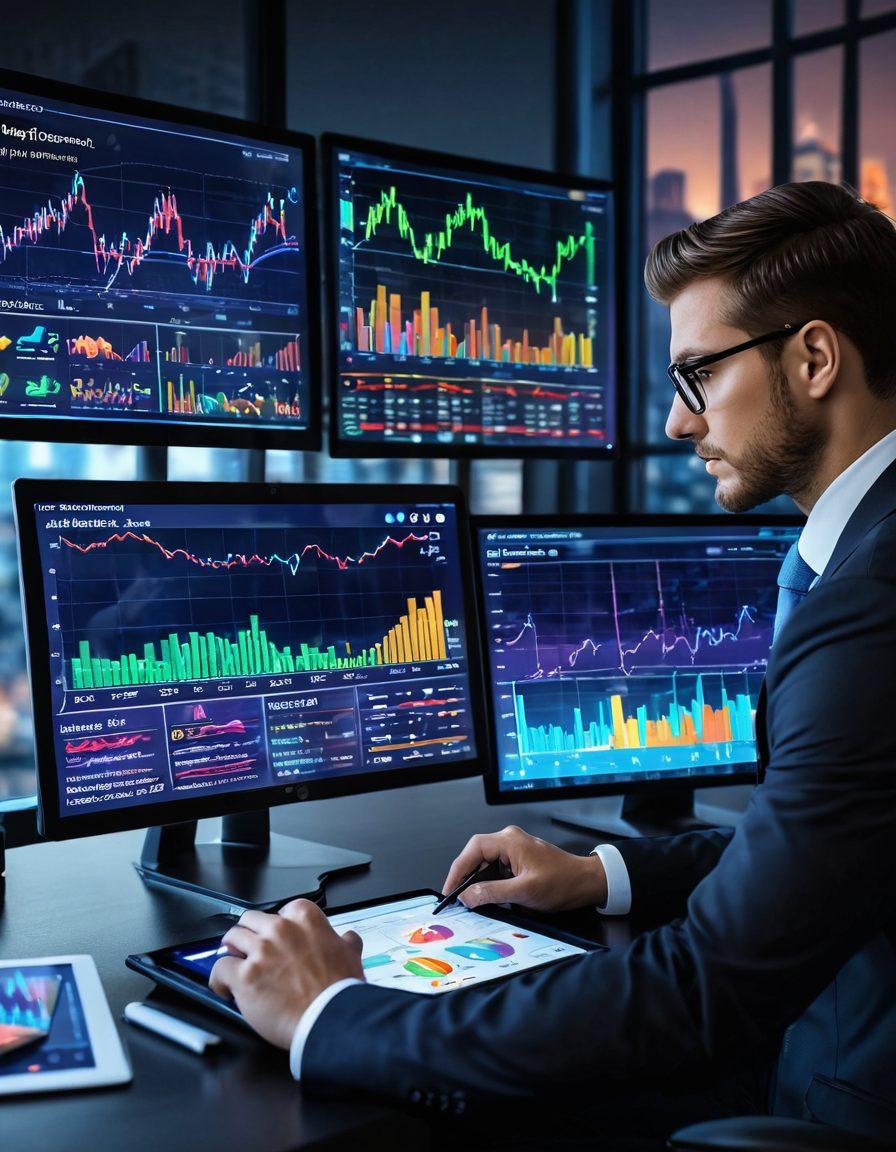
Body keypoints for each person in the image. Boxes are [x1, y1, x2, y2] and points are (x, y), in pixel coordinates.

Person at [210, 181, 896, 1148]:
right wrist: (600, 875)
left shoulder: (869, 601)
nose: (677, 422)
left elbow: (702, 992)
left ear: (816, 357)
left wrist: (331, 1016)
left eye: (698, 373)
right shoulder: (866, 555)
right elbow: (832, 849)